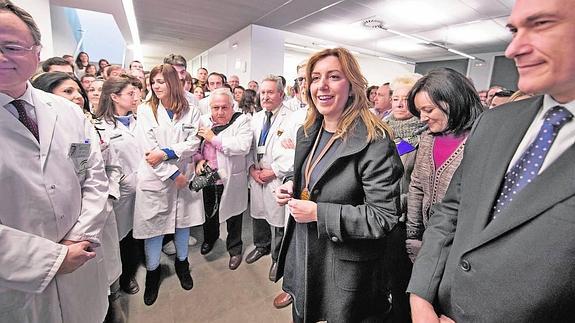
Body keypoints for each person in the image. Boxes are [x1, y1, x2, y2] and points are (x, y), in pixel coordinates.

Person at [408, 0, 575, 321]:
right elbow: (452, 211)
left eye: (541, 24)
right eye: (514, 30)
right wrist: (421, 295)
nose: (512, 49)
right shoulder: (497, 122)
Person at [273, 48, 402, 323]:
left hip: (342, 267)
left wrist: (319, 213)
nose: (322, 85)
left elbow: (383, 217)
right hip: (305, 254)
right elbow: (310, 180)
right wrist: (289, 187)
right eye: (315, 77)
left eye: (333, 76)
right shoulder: (309, 130)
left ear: (353, 85)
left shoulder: (375, 141)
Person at [0, 1, 109, 321]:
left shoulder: (67, 111)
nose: (1, 56)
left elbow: (93, 175)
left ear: (36, 53)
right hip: (17, 284)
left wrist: (79, 238)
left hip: (81, 259)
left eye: (12, 46)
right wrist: (51, 259)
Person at [134, 63, 204, 306]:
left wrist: (165, 153)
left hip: (183, 176)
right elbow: (147, 151)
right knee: (154, 228)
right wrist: (173, 174)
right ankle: (153, 273)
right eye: (153, 82)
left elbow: (193, 143)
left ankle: (182, 263)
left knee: (183, 224)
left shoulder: (191, 110)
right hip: (158, 179)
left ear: (173, 82)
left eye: (161, 81)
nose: (156, 86)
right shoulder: (145, 110)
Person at [405, 68, 483, 263]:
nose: (422, 118)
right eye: (420, 111)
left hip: (460, 247)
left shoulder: (481, 140)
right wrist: (414, 234)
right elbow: (416, 186)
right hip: (426, 241)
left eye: (428, 110)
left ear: (453, 102)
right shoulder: (427, 138)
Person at [95, 75, 144, 297]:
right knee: (122, 236)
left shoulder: (141, 120)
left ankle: (138, 264)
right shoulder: (99, 127)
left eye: (137, 93)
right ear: (114, 96)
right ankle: (125, 277)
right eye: (130, 94)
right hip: (121, 193)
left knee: (141, 230)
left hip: (145, 187)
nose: (136, 97)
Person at [194, 88, 253, 269]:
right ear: (209, 107)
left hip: (231, 177)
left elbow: (242, 146)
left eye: (224, 108)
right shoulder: (203, 121)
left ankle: (234, 249)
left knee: (234, 215)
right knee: (209, 211)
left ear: (232, 106)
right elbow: (195, 147)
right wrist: (198, 160)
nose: (220, 112)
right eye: (215, 108)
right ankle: (210, 239)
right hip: (209, 176)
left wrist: (213, 138)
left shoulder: (242, 121)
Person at [246, 75, 294, 281]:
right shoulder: (255, 118)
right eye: (262, 92)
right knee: (258, 213)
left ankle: (277, 258)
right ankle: (261, 246)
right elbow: (248, 146)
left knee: (278, 220)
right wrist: (250, 168)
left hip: (276, 176)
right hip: (257, 173)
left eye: (270, 92)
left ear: (281, 94)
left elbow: (295, 151)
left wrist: (274, 170)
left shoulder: (292, 118)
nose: (265, 96)